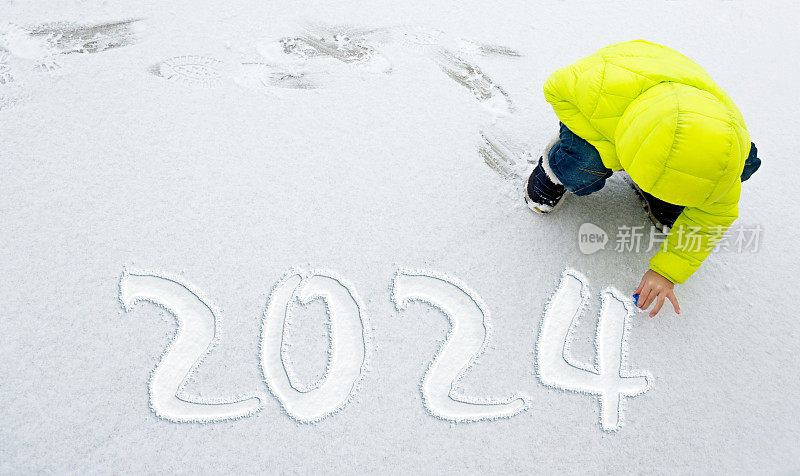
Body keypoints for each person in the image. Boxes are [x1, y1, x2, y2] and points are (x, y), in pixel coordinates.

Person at [525, 40, 761, 317]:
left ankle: (665, 189)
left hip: (689, 113)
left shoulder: (729, 157)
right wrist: (613, 152)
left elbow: (712, 220)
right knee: (586, 165)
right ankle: (556, 165)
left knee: (750, 163)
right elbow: (556, 88)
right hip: (612, 105)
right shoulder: (598, 87)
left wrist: (666, 272)